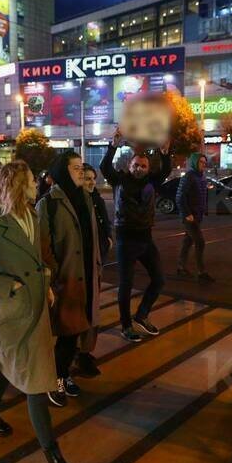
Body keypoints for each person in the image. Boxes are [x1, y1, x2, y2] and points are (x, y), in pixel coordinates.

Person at [0, 161, 84, 463]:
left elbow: (37, 261)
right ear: (20, 184)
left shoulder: (33, 215)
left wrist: (44, 282)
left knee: (11, 368)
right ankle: (56, 462)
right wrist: (12, 286)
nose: (37, 183)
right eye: (32, 180)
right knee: (36, 384)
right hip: (13, 316)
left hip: (37, 310)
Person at [37, 152, 101, 407]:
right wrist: (54, 273)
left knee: (79, 330)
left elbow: (93, 236)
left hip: (87, 276)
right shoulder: (48, 203)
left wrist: (97, 265)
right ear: (63, 171)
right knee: (66, 333)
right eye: (75, 168)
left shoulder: (86, 197)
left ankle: (63, 373)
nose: (80, 171)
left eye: (81, 167)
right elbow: (42, 245)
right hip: (66, 278)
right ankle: (56, 378)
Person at [100, 129, 171, 343]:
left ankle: (141, 315)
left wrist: (165, 154)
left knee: (159, 280)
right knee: (126, 285)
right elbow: (105, 167)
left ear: (148, 168)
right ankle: (126, 326)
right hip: (126, 240)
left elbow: (165, 170)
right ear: (129, 166)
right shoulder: (119, 180)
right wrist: (113, 146)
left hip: (146, 239)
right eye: (135, 165)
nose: (139, 168)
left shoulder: (152, 182)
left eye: (143, 165)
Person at [78, 163, 110, 378]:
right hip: (81, 268)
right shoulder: (76, 203)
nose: (90, 182)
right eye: (85, 178)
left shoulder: (95, 199)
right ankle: (79, 354)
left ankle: (85, 351)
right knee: (82, 312)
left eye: (92, 178)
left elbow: (104, 224)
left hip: (96, 263)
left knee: (93, 312)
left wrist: (107, 239)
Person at [175, 152, 214, 283]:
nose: (203, 165)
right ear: (194, 163)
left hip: (197, 215)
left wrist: (204, 209)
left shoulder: (201, 176)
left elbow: (201, 195)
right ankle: (202, 272)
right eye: (201, 162)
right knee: (200, 242)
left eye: (204, 162)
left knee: (188, 241)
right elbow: (180, 197)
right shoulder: (189, 177)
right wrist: (187, 214)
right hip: (190, 217)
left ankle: (181, 267)